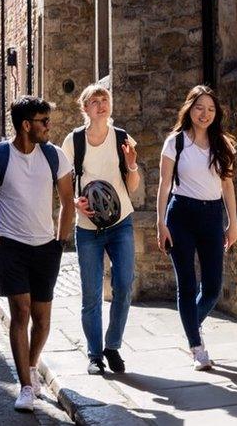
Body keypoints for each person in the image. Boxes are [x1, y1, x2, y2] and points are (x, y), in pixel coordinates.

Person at [0, 96, 75, 412]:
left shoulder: (55, 156)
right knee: (21, 311)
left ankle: (31, 365)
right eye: (44, 121)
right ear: (26, 125)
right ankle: (26, 387)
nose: (49, 126)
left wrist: (60, 241)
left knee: (42, 319)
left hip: (46, 247)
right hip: (11, 247)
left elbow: (68, 201)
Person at [156, 85, 237, 371]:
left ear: (216, 114)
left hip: (213, 216)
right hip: (181, 215)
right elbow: (164, 185)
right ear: (189, 109)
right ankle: (197, 347)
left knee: (213, 287)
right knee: (188, 286)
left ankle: (191, 325)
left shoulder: (223, 145)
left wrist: (233, 224)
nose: (205, 114)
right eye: (200, 108)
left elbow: (227, 186)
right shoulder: (175, 142)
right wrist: (160, 224)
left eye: (211, 109)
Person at [61, 84, 140, 375]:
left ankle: (113, 346)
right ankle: (94, 355)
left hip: (121, 224)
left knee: (124, 285)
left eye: (104, 99)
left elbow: (132, 187)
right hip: (88, 228)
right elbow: (61, 181)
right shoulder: (74, 141)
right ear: (85, 109)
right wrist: (73, 201)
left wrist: (131, 166)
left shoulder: (122, 138)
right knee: (91, 293)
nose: (101, 104)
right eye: (94, 101)